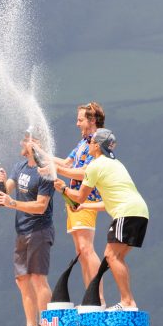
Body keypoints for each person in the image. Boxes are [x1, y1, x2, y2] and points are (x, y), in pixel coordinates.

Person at [55, 128, 149, 311]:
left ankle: (127, 302)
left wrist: (63, 189)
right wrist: (84, 207)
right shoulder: (116, 164)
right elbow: (106, 203)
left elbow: (79, 196)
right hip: (140, 212)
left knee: (111, 255)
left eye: (91, 142)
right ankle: (128, 302)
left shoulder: (95, 166)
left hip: (126, 212)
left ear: (97, 146)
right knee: (117, 257)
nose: (89, 144)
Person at [0, 130, 55, 326]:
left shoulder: (45, 171)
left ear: (38, 145)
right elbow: (5, 193)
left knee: (38, 278)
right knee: (22, 279)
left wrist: (12, 203)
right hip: (21, 230)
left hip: (39, 230)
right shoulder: (19, 167)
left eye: (27, 140)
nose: (22, 143)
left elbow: (40, 206)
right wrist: (0, 182)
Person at [48, 102, 105, 303]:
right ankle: (91, 297)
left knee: (86, 248)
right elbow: (66, 163)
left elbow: (85, 173)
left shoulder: (98, 142)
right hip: (72, 199)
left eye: (80, 120)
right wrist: (41, 154)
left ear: (92, 120)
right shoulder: (83, 142)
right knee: (80, 251)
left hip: (86, 199)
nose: (77, 123)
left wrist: (57, 171)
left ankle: (99, 298)